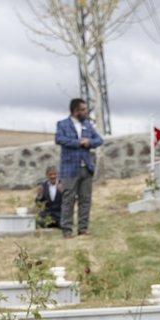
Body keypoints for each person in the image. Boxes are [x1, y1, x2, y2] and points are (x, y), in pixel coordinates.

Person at [55, 98, 103, 237]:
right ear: (75, 110)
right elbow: (59, 139)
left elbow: (99, 140)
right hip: (69, 169)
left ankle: (83, 228)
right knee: (68, 200)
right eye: (83, 109)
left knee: (85, 199)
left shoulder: (87, 124)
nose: (86, 112)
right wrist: (78, 143)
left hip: (86, 168)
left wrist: (89, 142)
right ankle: (67, 230)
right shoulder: (62, 124)